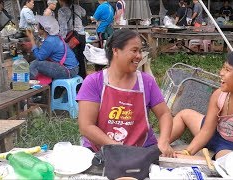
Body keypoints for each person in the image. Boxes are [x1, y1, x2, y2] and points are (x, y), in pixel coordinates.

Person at [76, 29, 175, 157]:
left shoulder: (146, 82)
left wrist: (164, 141)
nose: (139, 56)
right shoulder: (94, 82)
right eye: (134, 50)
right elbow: (86, 126)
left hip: (142, 151)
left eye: (140, 51)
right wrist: (117, 148)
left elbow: (164, 114)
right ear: (115, 50)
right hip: (102, 152)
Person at [26, 16, 79, 81]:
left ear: (43, 28)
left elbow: (39, 57)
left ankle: (26, 83)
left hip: (69, 70)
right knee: (36, 63)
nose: (36, 28)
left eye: (38, 26)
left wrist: (31, 39)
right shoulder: (55, 37)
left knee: (35, 64)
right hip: (73, 68)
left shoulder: (49, 41)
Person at [58, 0, 87, 78]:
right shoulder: (78, 7)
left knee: (74, 59)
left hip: (73, 37)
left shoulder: (62, 11)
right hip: (82, 36)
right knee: (81, 58)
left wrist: (61, 39)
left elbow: (63, 27)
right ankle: (83, 78)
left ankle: (76, 79)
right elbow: (84, 13)